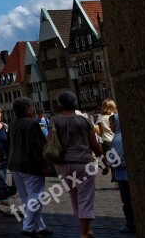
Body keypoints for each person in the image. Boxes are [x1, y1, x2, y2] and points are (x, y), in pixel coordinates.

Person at [51, 91, 103, 238]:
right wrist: (103, 158)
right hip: (84, 163)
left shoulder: (54, 120)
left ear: (60, 104)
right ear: (75, 103)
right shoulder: (84, 120)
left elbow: (50, 142)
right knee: (85, 197)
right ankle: (84, 232)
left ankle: (86, 228)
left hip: (64, 164)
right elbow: (94, 144)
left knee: (75, 197)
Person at [8, 97, 53, 237]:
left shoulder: (13, 123)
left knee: (26, 198)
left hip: (15, 164)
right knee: (36, 196)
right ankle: (27, 227)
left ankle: (40, 226)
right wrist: (44, 164)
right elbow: (38, 147)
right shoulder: (32, 124)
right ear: (28, 108)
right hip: (29, 165)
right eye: (32, 106)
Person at [107, 114, 134, 234]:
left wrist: (109, 162)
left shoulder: (118, 138)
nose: (109, 126)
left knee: (127, 201)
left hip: (123, 175)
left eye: (111, 124)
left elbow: (114, 159)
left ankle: (131, 224)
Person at [94, 99, 117, 181]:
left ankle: (114, 176)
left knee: (110, 160)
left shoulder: (101, 117)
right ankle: (117, 176)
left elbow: (96, 129)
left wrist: (102, 134)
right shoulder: (115, 115)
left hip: (106, 141)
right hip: (116, 139)